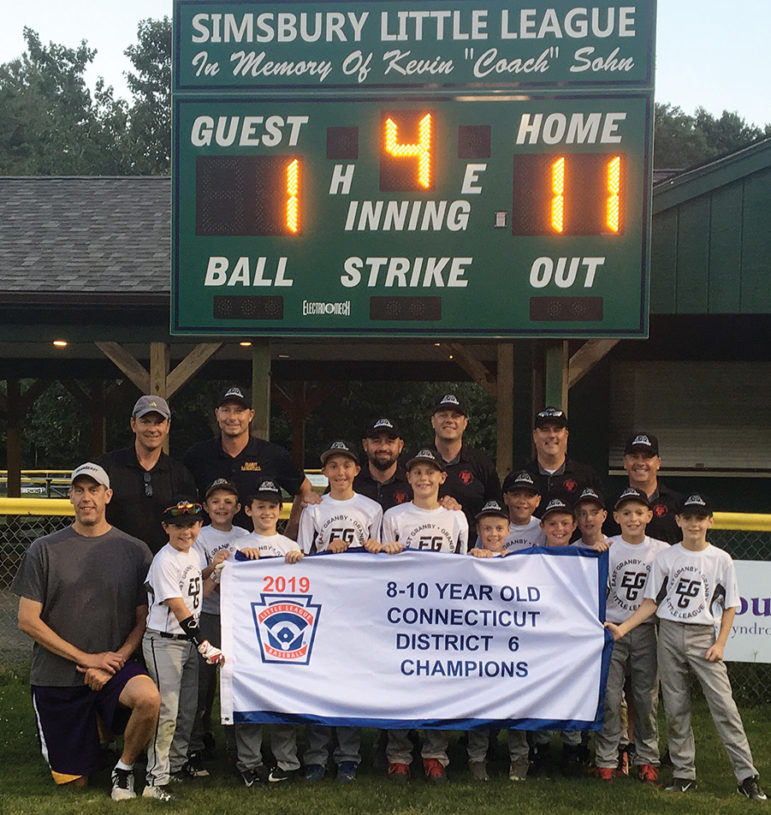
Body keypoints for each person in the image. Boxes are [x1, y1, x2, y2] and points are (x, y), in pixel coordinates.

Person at [11, 462, 159, 800]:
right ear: (70, 496)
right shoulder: (44, 549)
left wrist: (116, 661)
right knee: (75, 783)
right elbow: (27, 620)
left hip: (113, 668)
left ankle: (123, 768)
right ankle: (94, 738)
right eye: (79, 490)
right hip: (58, 676)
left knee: (149, 698)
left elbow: (143, 619)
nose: (86, 497)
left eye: (94, 490)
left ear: (108, 495)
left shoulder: (135, 550)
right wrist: (88, 659)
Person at [606, 494, 766, 801]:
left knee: (724, 707)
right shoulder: (666, 558)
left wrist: (721, 643)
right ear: (678, 521)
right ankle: (683, 772)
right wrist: (623, 628)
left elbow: (730, 606)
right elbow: (651, 602)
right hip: (668, 632)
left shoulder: (720, 559)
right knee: (676, 707)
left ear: (710, 521)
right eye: (688, 518)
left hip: (704, 635)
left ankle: (746, 775)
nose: (694, 524)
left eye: (700, 518)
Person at [380, 448, 469, 783]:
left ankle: (435, 753)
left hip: (442, 613)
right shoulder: (395, 517)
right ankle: (398, 755)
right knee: (400, 681)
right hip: (403, 611)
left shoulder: (456, 518)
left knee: (437, 680)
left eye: (430, 473)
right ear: (409, 477)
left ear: (442, 478)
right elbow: (383, 567)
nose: (424, 479)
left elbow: (464, 567)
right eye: (417, 473)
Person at [297, 440, 382, 783]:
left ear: (357, 470)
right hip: (322, 603)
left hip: (358, 604)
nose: (340, 473)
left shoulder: (373, 509)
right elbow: (301, 558)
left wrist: (372, 549)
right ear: (325, 473)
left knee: (348, 680)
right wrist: (327, 554)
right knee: (320, 680)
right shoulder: (314, 510)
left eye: (346, 466)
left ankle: (348, 755)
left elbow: (381, 557)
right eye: (333, 467)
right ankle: (316, 755)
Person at [142, 499, 224, 800]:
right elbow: (177, 607)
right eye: (177, 525)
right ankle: (155, 780)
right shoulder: (165, 559)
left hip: (185, 642)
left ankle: (174, 765)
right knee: (166, 711)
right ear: (166, 527)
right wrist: (203, 643)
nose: (185, 531)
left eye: (191, 524)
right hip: (165, 640)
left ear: (199, 526)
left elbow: (195, 594)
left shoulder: (193, 553)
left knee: (187, 710)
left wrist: (214, 574)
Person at [593, 487, 668, 785]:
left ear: (649, 515)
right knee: (610, 699)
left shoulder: (662, 550)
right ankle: (606, 758)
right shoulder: (607, 547)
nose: (633, 518)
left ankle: (647, 758)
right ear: (616, 517)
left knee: (646, 698)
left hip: (646, 630)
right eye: (626, 513)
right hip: (612, 630)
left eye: (639, 512)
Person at [233, 479, 305, 788]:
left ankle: (287, 761)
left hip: (283, 628)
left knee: (282, 696)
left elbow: (307, 587)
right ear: (249, 510)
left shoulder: (290, 547)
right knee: (247, 696)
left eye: (272, 507)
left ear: (281, 510)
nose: (266, 512)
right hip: (247, 633)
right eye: (260, 507)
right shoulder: (239, 545)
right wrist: (239, 562)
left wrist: (299, 562)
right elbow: (225, 587)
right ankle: (249, 762)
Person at [183, 385, 319, 533]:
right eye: (226, 410)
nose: (232, 417)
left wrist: (292, 530)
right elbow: (183, 498)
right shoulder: (197, 455)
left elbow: (304, 488)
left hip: (260, 550)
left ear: (251, 415)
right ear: (217, 414)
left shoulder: (272, 454)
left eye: (239, 411)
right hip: (207, 548)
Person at [467, 500, 532, 783]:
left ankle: (519, 757)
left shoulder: (522, 561)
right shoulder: (470, 558)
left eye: (499, 528)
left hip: (510, 642)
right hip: (480, 643)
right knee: (481, 700)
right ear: (479, 531)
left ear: (508, 530)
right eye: (487, 528)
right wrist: (472, 556)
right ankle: (476, 758)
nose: (493, 534)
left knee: (516, 701)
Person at [188, 478, 251, 770]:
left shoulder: (245, 534)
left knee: (235, 679)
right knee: (203, 679)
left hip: (237, 616)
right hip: (209, 615)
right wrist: (215, 564)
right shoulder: (200, 535)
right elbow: (194, 574)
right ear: (205, 507)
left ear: (238, 507)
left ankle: (236, 742)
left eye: (228, 502)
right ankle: (197, 741)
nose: (222, 507)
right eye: (215, 501)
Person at [97, 395, 197, 554]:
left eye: (158, 422)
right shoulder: (107, 467)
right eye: (145, 421)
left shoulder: (180, 474)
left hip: (164, 565)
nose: (152, 429)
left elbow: (189, 525)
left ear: (167, 426)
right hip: (114, 560)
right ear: (133, 424)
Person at [530, 496, 585, 777]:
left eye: (565, 523)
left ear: (575, 525)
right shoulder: (533, 556)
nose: (559, 528)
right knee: (544, 691)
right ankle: (540, 749)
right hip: (542, 637)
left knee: (571, 691)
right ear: (543, 526)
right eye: (553, 523)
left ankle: (572, 749)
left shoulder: (585, 557)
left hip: (572, 638)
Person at [428, 393, 501, 536]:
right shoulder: (416, 463)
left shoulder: (482, 463)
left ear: (465, 423)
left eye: (455, 416)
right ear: (433, 421)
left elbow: (496, 509)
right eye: (443, 415)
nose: (449, 420)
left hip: (473, 550)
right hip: (427, 548)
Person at [523, 407, 603, 516]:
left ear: (566, 435)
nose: (551, 435)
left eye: (557, 430)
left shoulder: (587, 477)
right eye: (545, 430)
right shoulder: (521, 477)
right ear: (535, 436)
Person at [605, 433, 682, 544]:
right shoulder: (611, 505)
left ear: (658, 463)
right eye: (634, 457)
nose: (640, 463)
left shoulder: (677, 503)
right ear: (625, 463)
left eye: (647, 457)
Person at [353, 417, 412, 510]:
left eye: (390, 442)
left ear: (400, 446)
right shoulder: (351, 484)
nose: (383, 448)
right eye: (376, 441)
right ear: (365, 445)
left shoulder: (413, 484)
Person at [495, 470, 546, 551]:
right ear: (506, 498)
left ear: (538, 501)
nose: (522, 501)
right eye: (516, 495)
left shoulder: (545, 529)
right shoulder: (491, 527)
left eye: (529, 496)